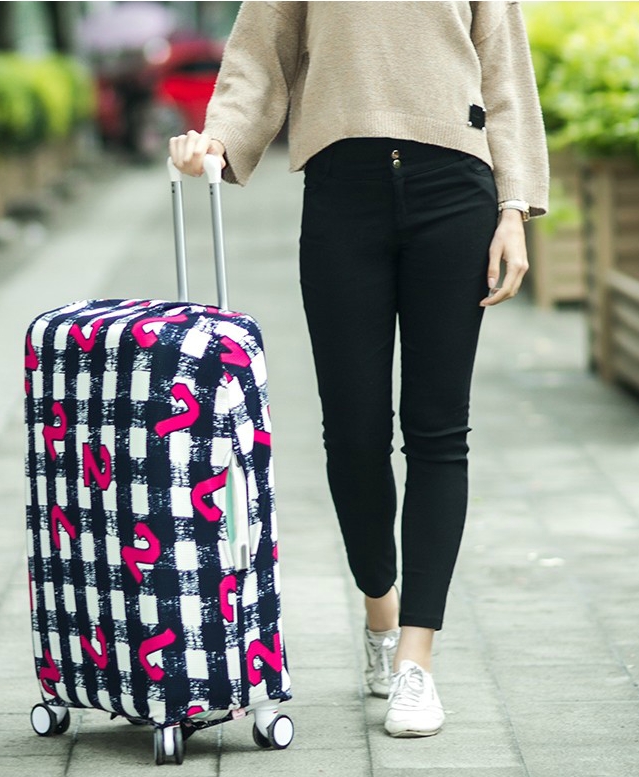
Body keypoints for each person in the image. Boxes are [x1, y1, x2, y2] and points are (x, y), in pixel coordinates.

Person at [169, 1, 548, 738]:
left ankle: (416, 660)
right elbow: (259, 53)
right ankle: (380, 613)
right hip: (343, 194)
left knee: (439, 433)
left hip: (455, 191)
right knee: (352, 433)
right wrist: (216, 142)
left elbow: (504, 68)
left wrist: (514, 208)